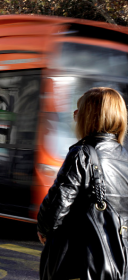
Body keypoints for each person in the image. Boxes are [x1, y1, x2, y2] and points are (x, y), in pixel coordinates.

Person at [37, 87, 128, 280]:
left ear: (90, 116)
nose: (75, 115)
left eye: (79, 111)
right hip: (119, 264)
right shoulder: (125, 157)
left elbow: (58, 204)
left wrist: (43, 229)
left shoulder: (82, 154)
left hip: (82, 263)